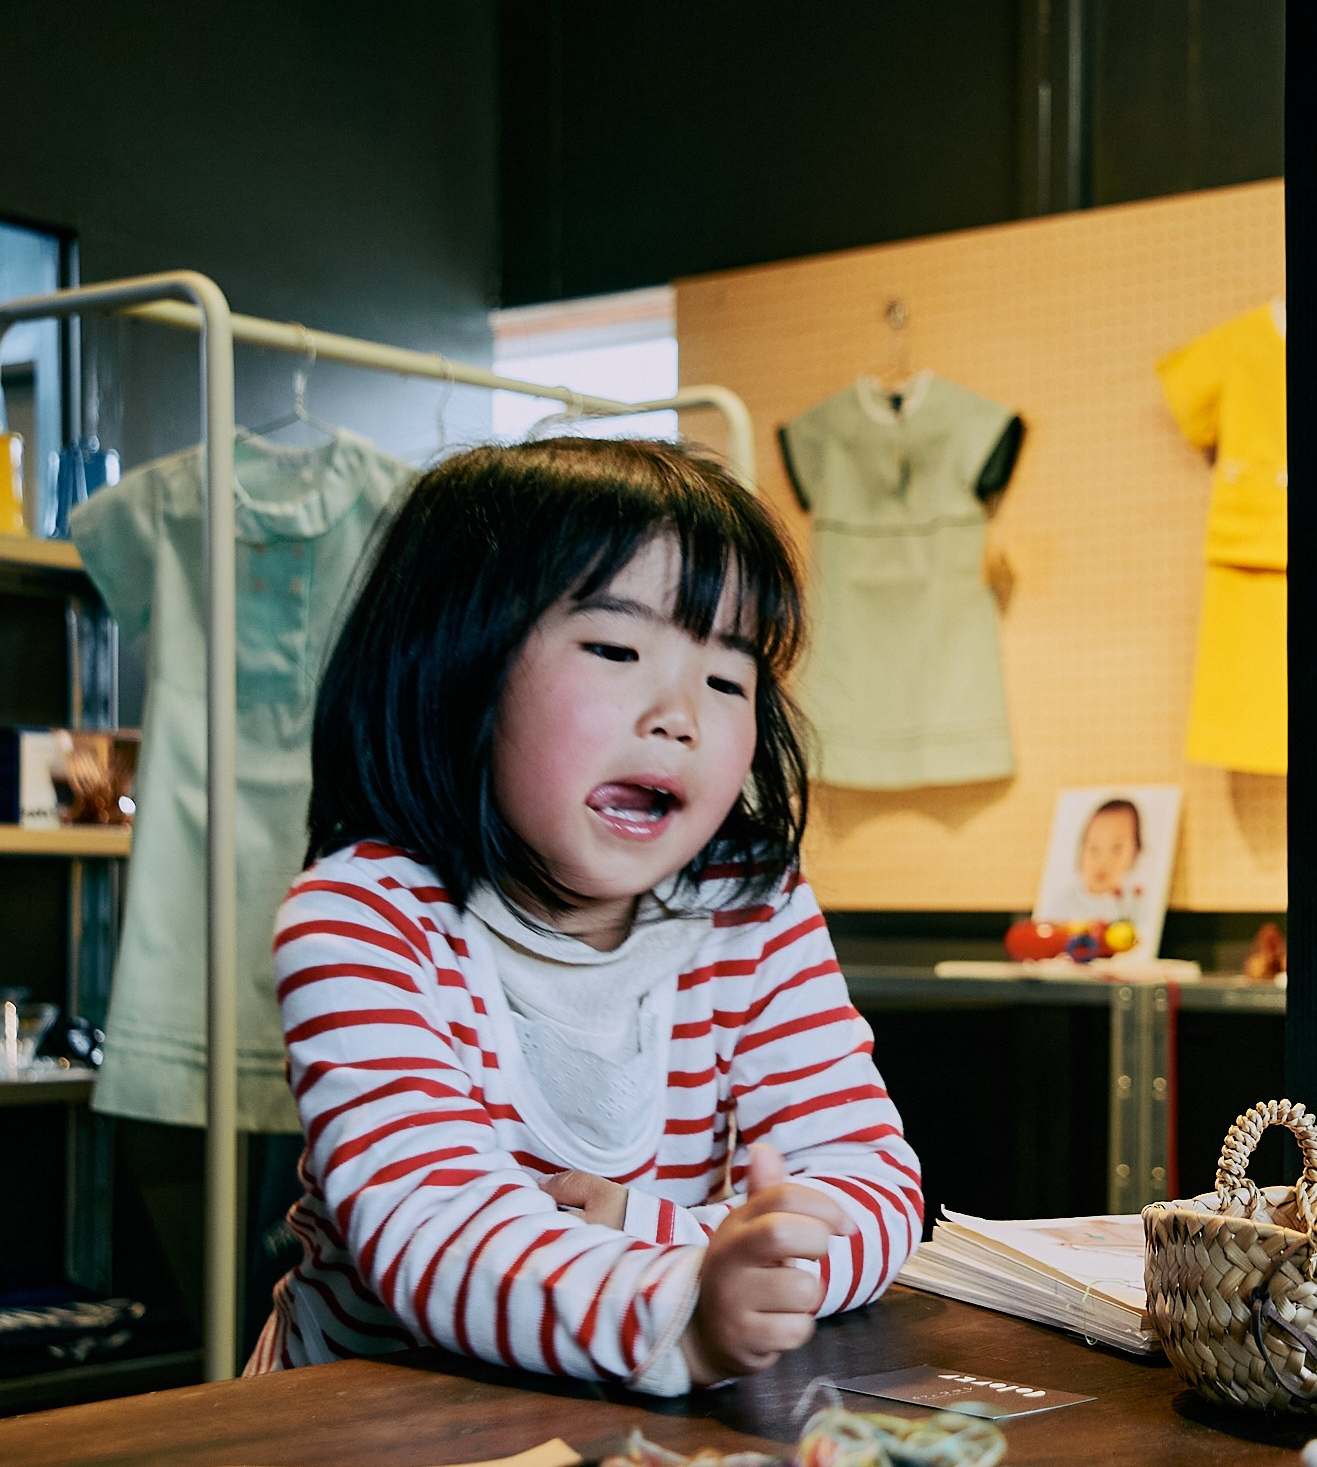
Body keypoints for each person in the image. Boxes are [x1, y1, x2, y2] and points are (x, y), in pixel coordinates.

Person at [250, 439, 922, 1395]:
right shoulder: (362, 919)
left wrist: (666, 1239)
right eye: (616, 649)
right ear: (459, 666)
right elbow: (437, 1233)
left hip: (623, 1445)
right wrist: (682, 1307)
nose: (681, 715)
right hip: (359, 1446)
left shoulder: (748, 910)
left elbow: (869, 1187)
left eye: (728, 678)